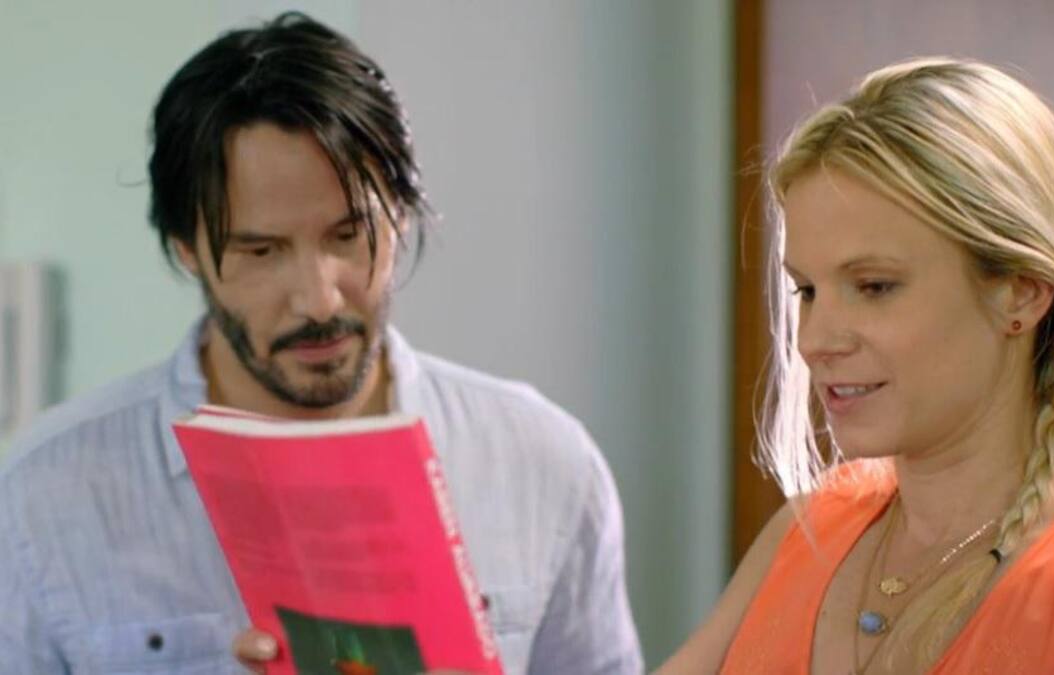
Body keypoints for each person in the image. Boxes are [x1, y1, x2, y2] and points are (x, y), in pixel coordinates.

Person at [0, 12, 642, 675]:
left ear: (400, 214)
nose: (319, 300)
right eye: (261, 250)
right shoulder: (47, 493)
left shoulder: (541, 463)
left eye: (348, 235)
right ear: (185, 247)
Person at [658, 58, 1054, 674]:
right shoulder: (806, 530)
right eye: (807, 290)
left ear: (1021, 292)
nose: (814, 341)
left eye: (875, 286)